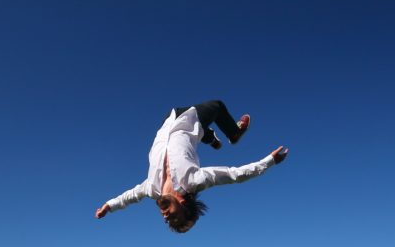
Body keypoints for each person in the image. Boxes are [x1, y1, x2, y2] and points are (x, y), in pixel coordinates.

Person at [95, 100, 289, 233]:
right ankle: (234, 133)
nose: (165, 217)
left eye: (167, 221)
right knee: (217, 106)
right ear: (184, 205)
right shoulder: (194, 181)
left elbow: (129, 196)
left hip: (169, 121)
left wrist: (109, 206)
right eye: (174, 218)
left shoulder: (151, 189)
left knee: (195, 131)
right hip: (190, 120)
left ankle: (209, 137)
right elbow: (235, 175)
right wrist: (269, 161)